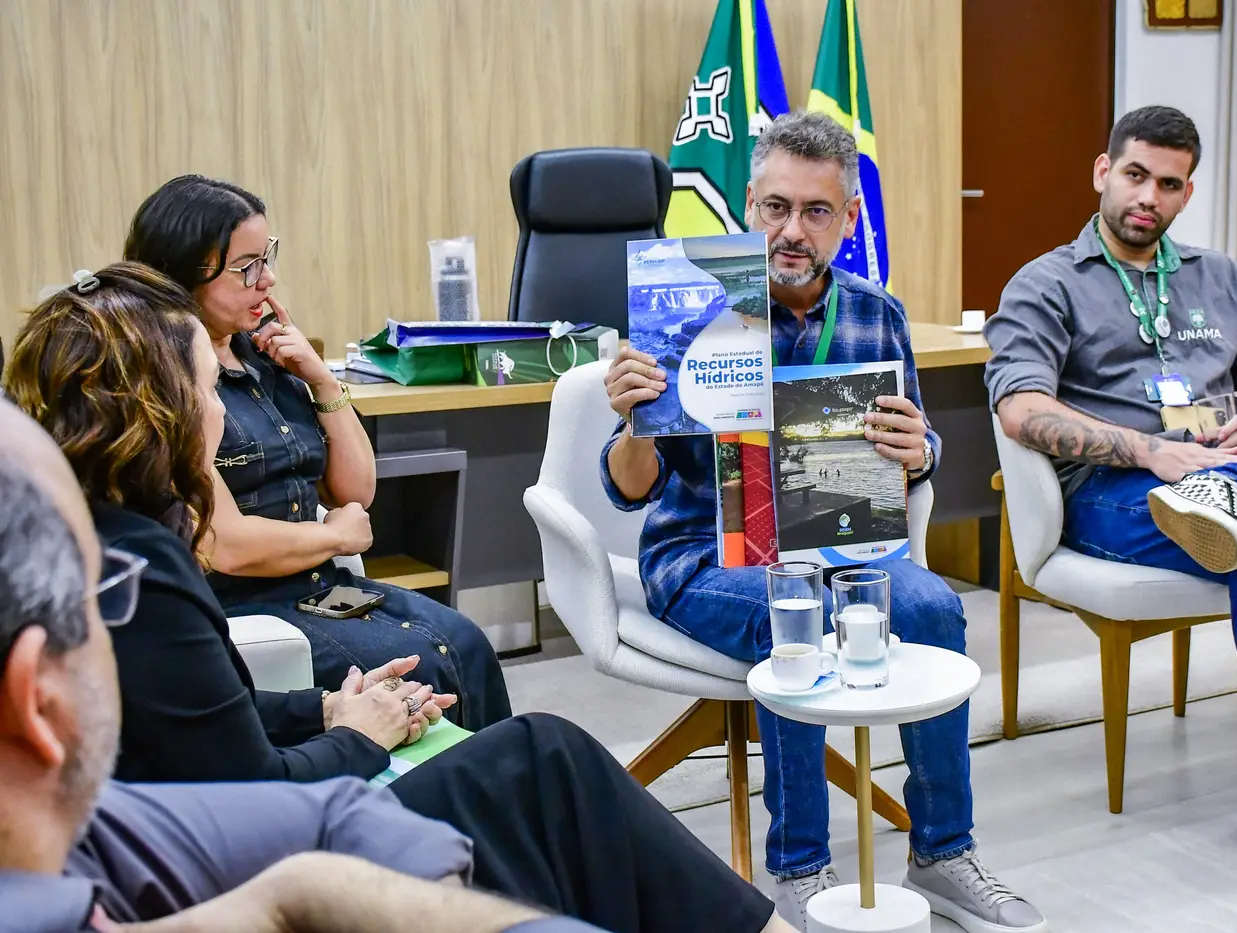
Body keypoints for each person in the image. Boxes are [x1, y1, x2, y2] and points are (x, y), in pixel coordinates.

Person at [0, 298, 793, 933]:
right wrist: (358, 735)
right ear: (159, 412)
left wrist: (324, 706)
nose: (221, 409)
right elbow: (257, 790)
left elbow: (199, 723)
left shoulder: (93, 543)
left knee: (521, 745)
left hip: (248, 829)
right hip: (266, 851)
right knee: (547, 761)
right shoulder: (142, 572)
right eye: (208, 389)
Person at [601, 111, 1046, 933]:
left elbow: (917, 447)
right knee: (794, 605)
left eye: (816, 211)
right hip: (705, 554)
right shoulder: (687, 309)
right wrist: (634, 422)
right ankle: (800, 868)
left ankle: (943, 851)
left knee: (934, 608)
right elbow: (631, 489)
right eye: (775, 207)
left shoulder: (879, 313)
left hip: (843, 537)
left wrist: (919, 449)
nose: (791, 231)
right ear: (748, 205)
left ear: (848, 218)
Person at [986, 105, 1237, 886]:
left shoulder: (1224, 278)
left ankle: (1234, 489)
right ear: (1103, 172)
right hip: (1118, 493)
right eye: (1135, 175)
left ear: (1187, 192)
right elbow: (1022, 410)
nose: (1149, 196)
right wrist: (1151, 450)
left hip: (1228, 472)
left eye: (1169, 184)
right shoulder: (1046, 282)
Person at [122, 175, 510, 731]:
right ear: (180, 273)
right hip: (244, 602)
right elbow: (222, 545)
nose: (267, 279)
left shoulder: (265, 356)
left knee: (465, 643)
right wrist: (336, 537)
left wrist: (322, 381)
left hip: (320, 586)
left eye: (267, 258)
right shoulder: (166, 384)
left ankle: (490, 786)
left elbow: (356, 491)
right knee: (423, 668)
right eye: (246, 267)